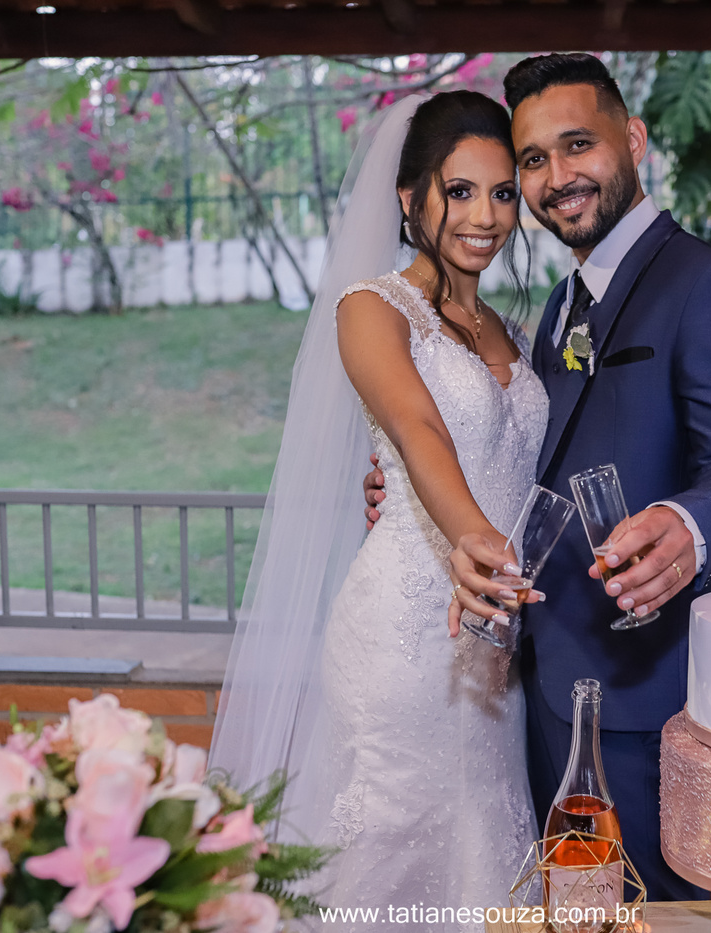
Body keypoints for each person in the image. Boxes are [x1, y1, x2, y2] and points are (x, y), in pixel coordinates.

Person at [364, 54, 711, 900]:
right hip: (527, 689)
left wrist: (688, 525)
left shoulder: (707, 283)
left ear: (634, 138)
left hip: (642, 697)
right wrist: (406, 493)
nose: (557, 178)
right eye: (534, 160)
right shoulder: (559, 307)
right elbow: (525, 450)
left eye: (578, 144)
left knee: (657, 913)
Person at [210, 91, 546, 931]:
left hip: (495, 648)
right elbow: (417, 425)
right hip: (405, 636)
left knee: (485, 850)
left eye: (503, 193)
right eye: (459, 191)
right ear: (408, 197)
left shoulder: (512, 332)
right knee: (386, 859)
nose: (485, 216)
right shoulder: (372, 307)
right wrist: (472, 534)